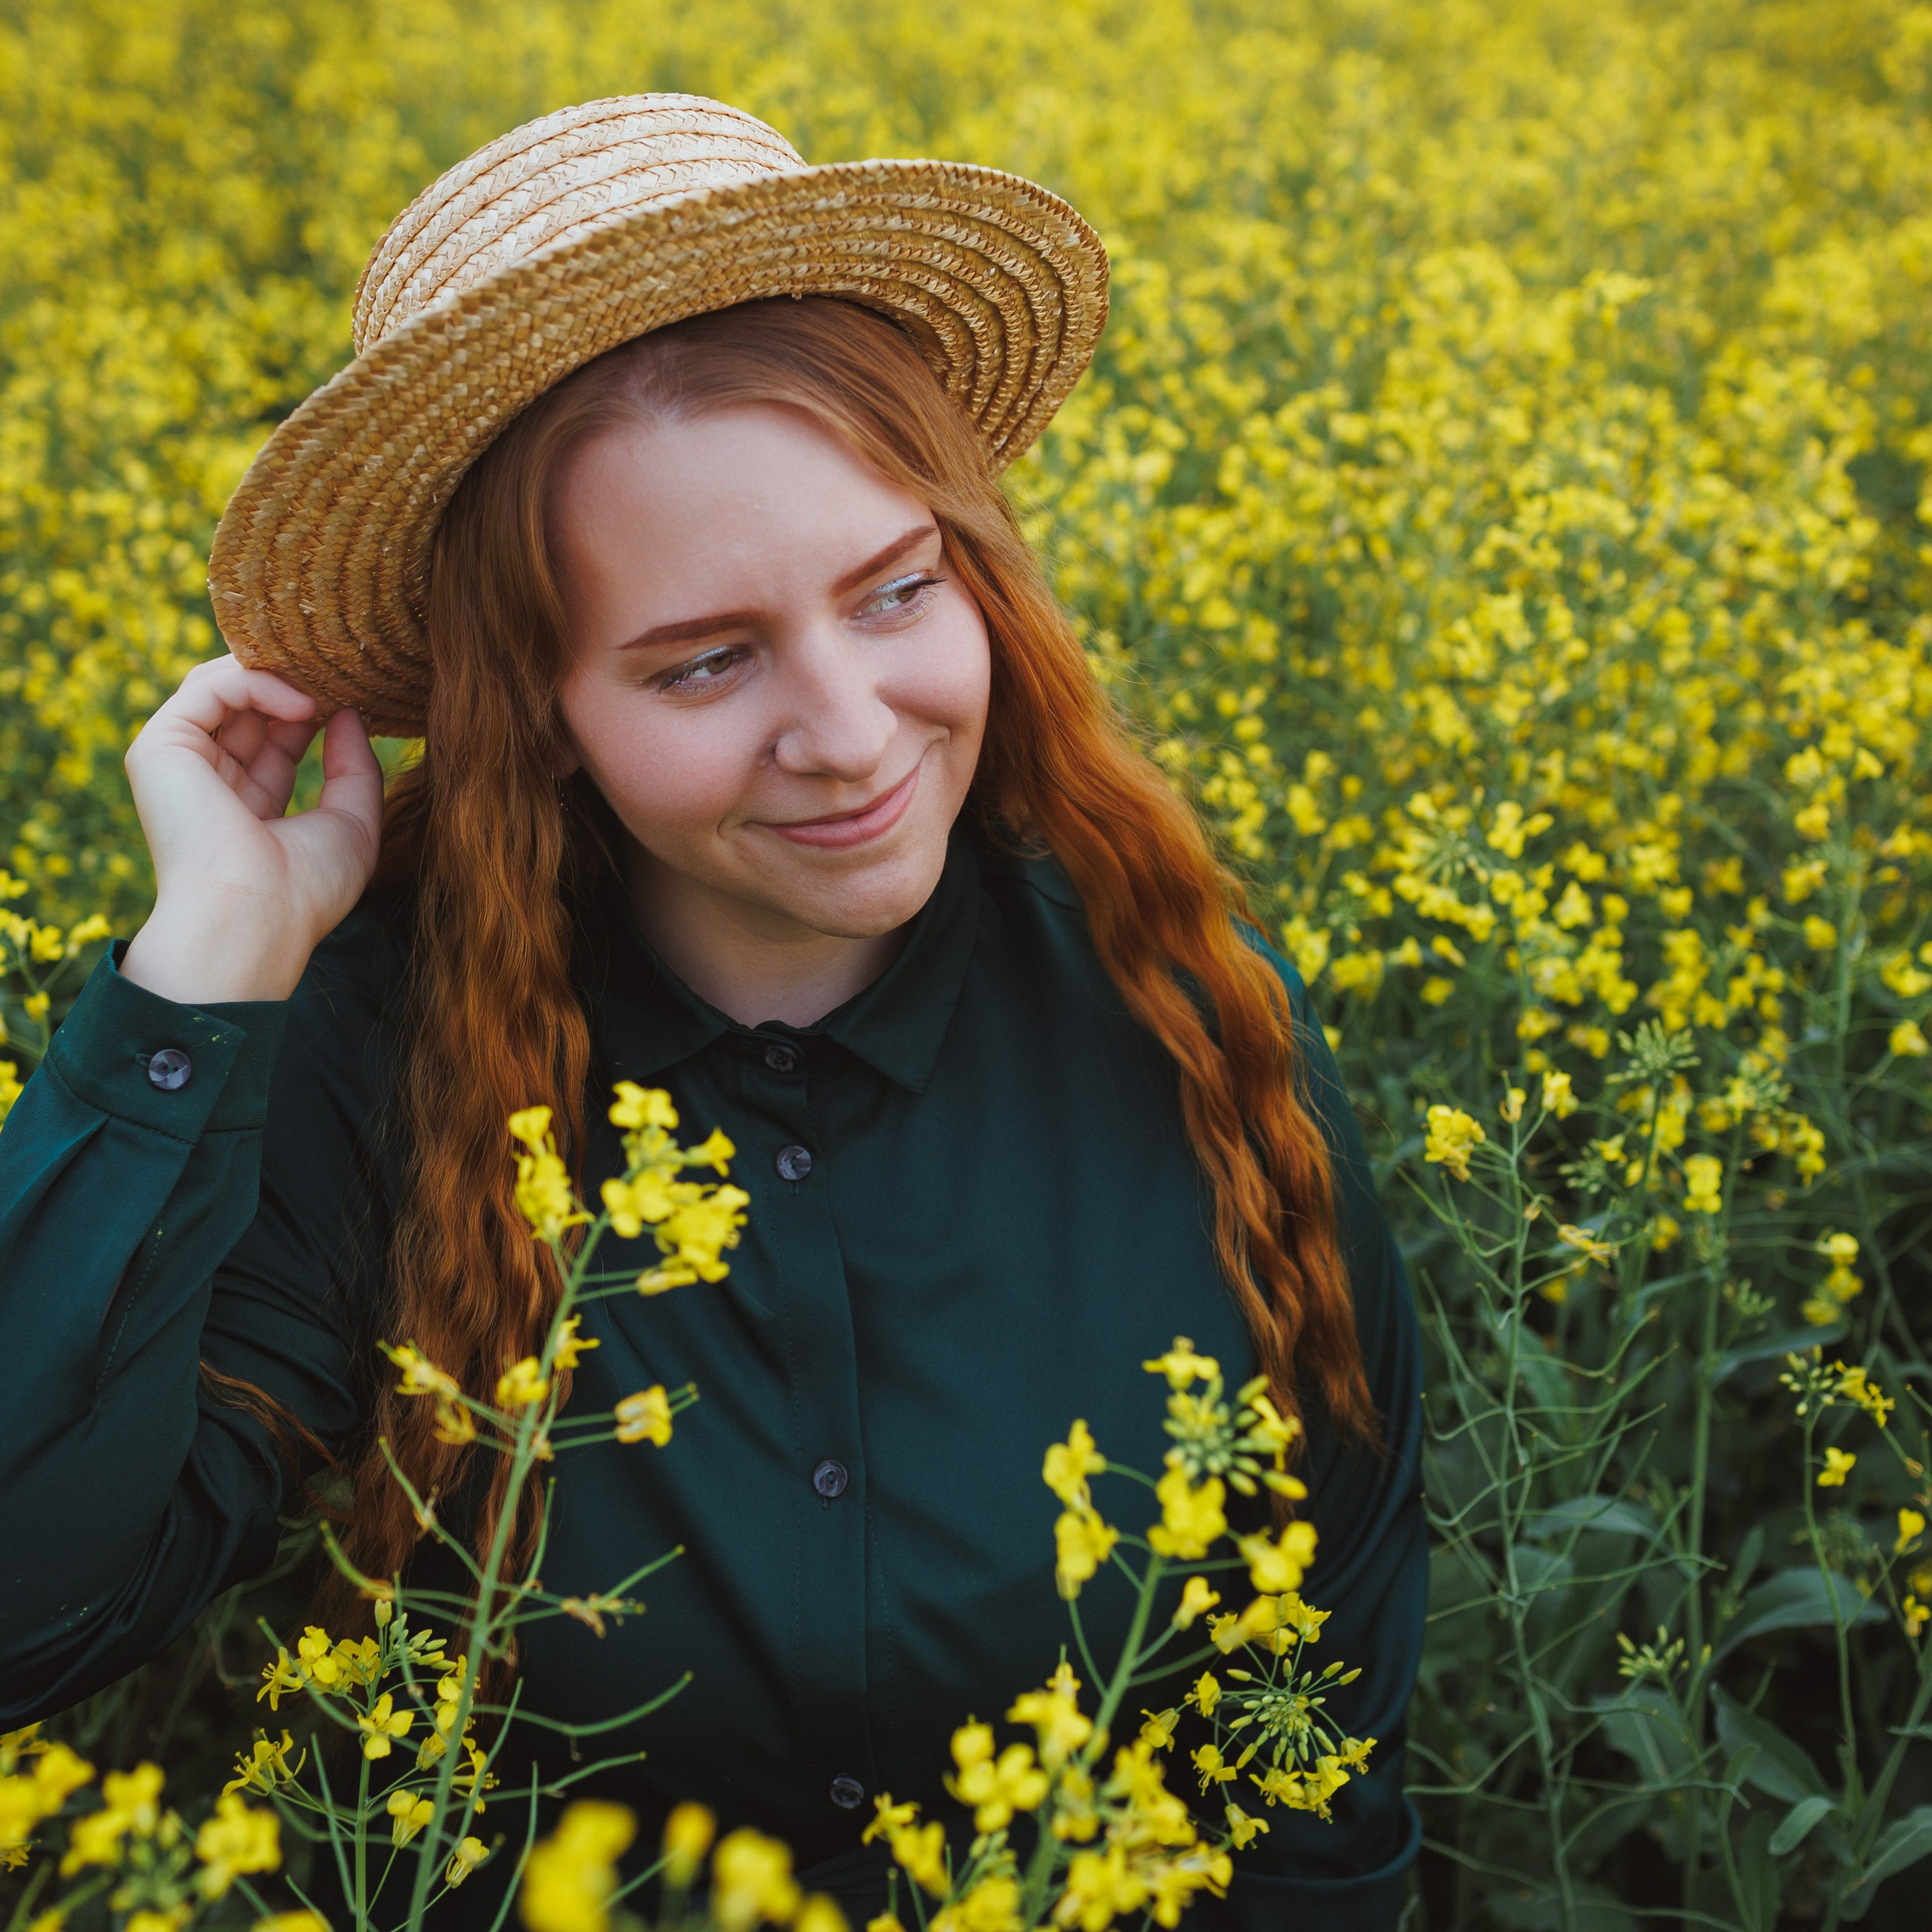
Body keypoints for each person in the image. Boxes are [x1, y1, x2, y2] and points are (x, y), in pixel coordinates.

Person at [0, 94, 1423, 1927]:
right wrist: (204, 968)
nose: (847, 729)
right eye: (704, 658)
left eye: (895, 588)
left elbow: (1328, 1690)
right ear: (538, 714)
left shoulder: (1181, 997)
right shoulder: (362, 1047)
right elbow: (32, 1615)